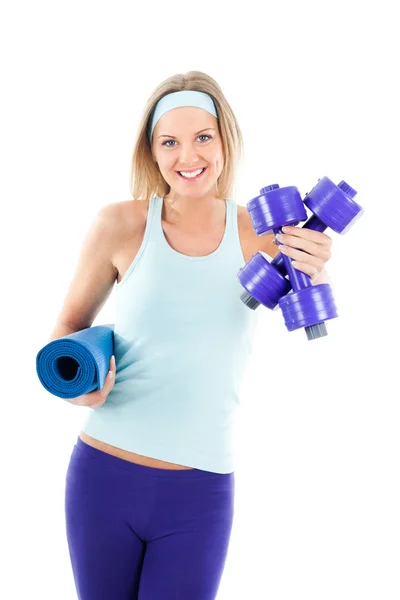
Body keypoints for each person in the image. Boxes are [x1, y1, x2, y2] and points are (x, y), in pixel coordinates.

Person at [47, 71, 333, 599]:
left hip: (200, 491)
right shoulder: (119, 225)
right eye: (169, 142)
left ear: (225, 138)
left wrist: (316, 266)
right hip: (103, 475)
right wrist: (80, 386)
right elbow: (67, 329)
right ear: (152, 153)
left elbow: (309, 309)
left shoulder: (263, 234)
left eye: (203, 136)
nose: (188, 155)